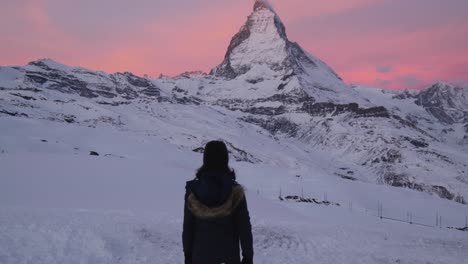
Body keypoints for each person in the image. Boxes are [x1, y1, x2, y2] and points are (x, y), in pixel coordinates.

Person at [183, 141, 254, 264]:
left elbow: (188, 227)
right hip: (229, 259)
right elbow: (244, 228)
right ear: (225, 160)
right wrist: (248, 256)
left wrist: (188, 254)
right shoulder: (235, 191)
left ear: (205, 160)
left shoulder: (193, 191)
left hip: (199, 258)